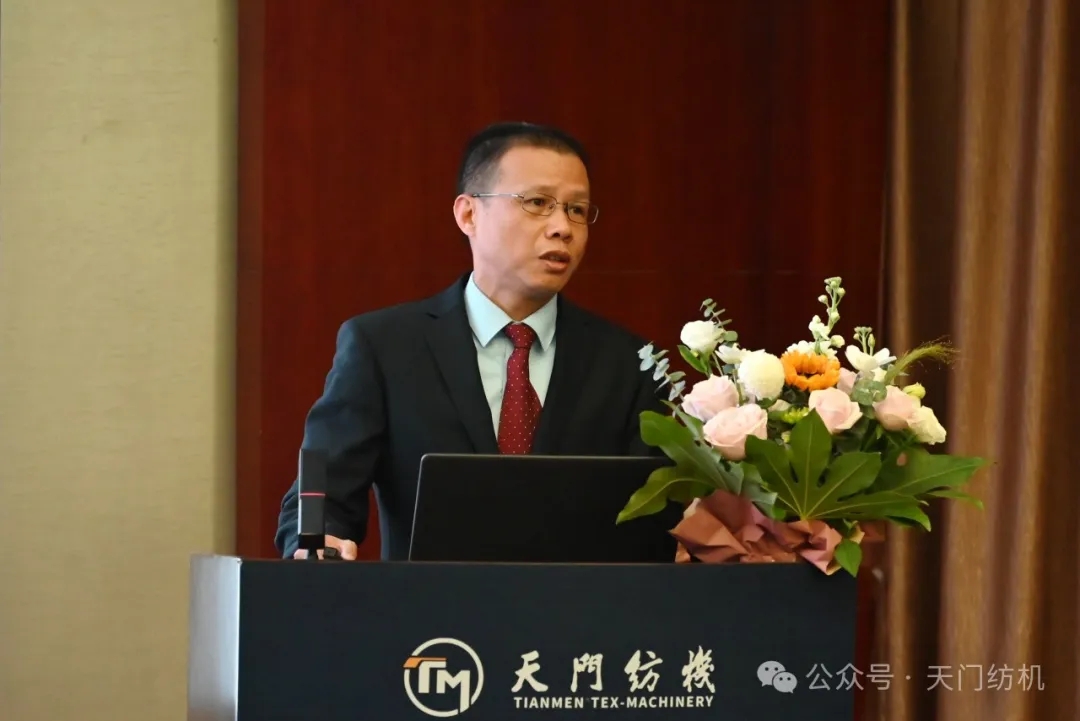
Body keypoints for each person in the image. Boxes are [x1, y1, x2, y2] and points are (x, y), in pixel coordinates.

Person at [274, 121, 665, 561]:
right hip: (427, 606)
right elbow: (323, 496)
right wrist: (318, 542)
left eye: (577, 210)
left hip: (577, 604)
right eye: (538, 203)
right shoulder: (385, 347)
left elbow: (651, 521)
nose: (562, 227)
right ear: (468, 215)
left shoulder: (628, 364)